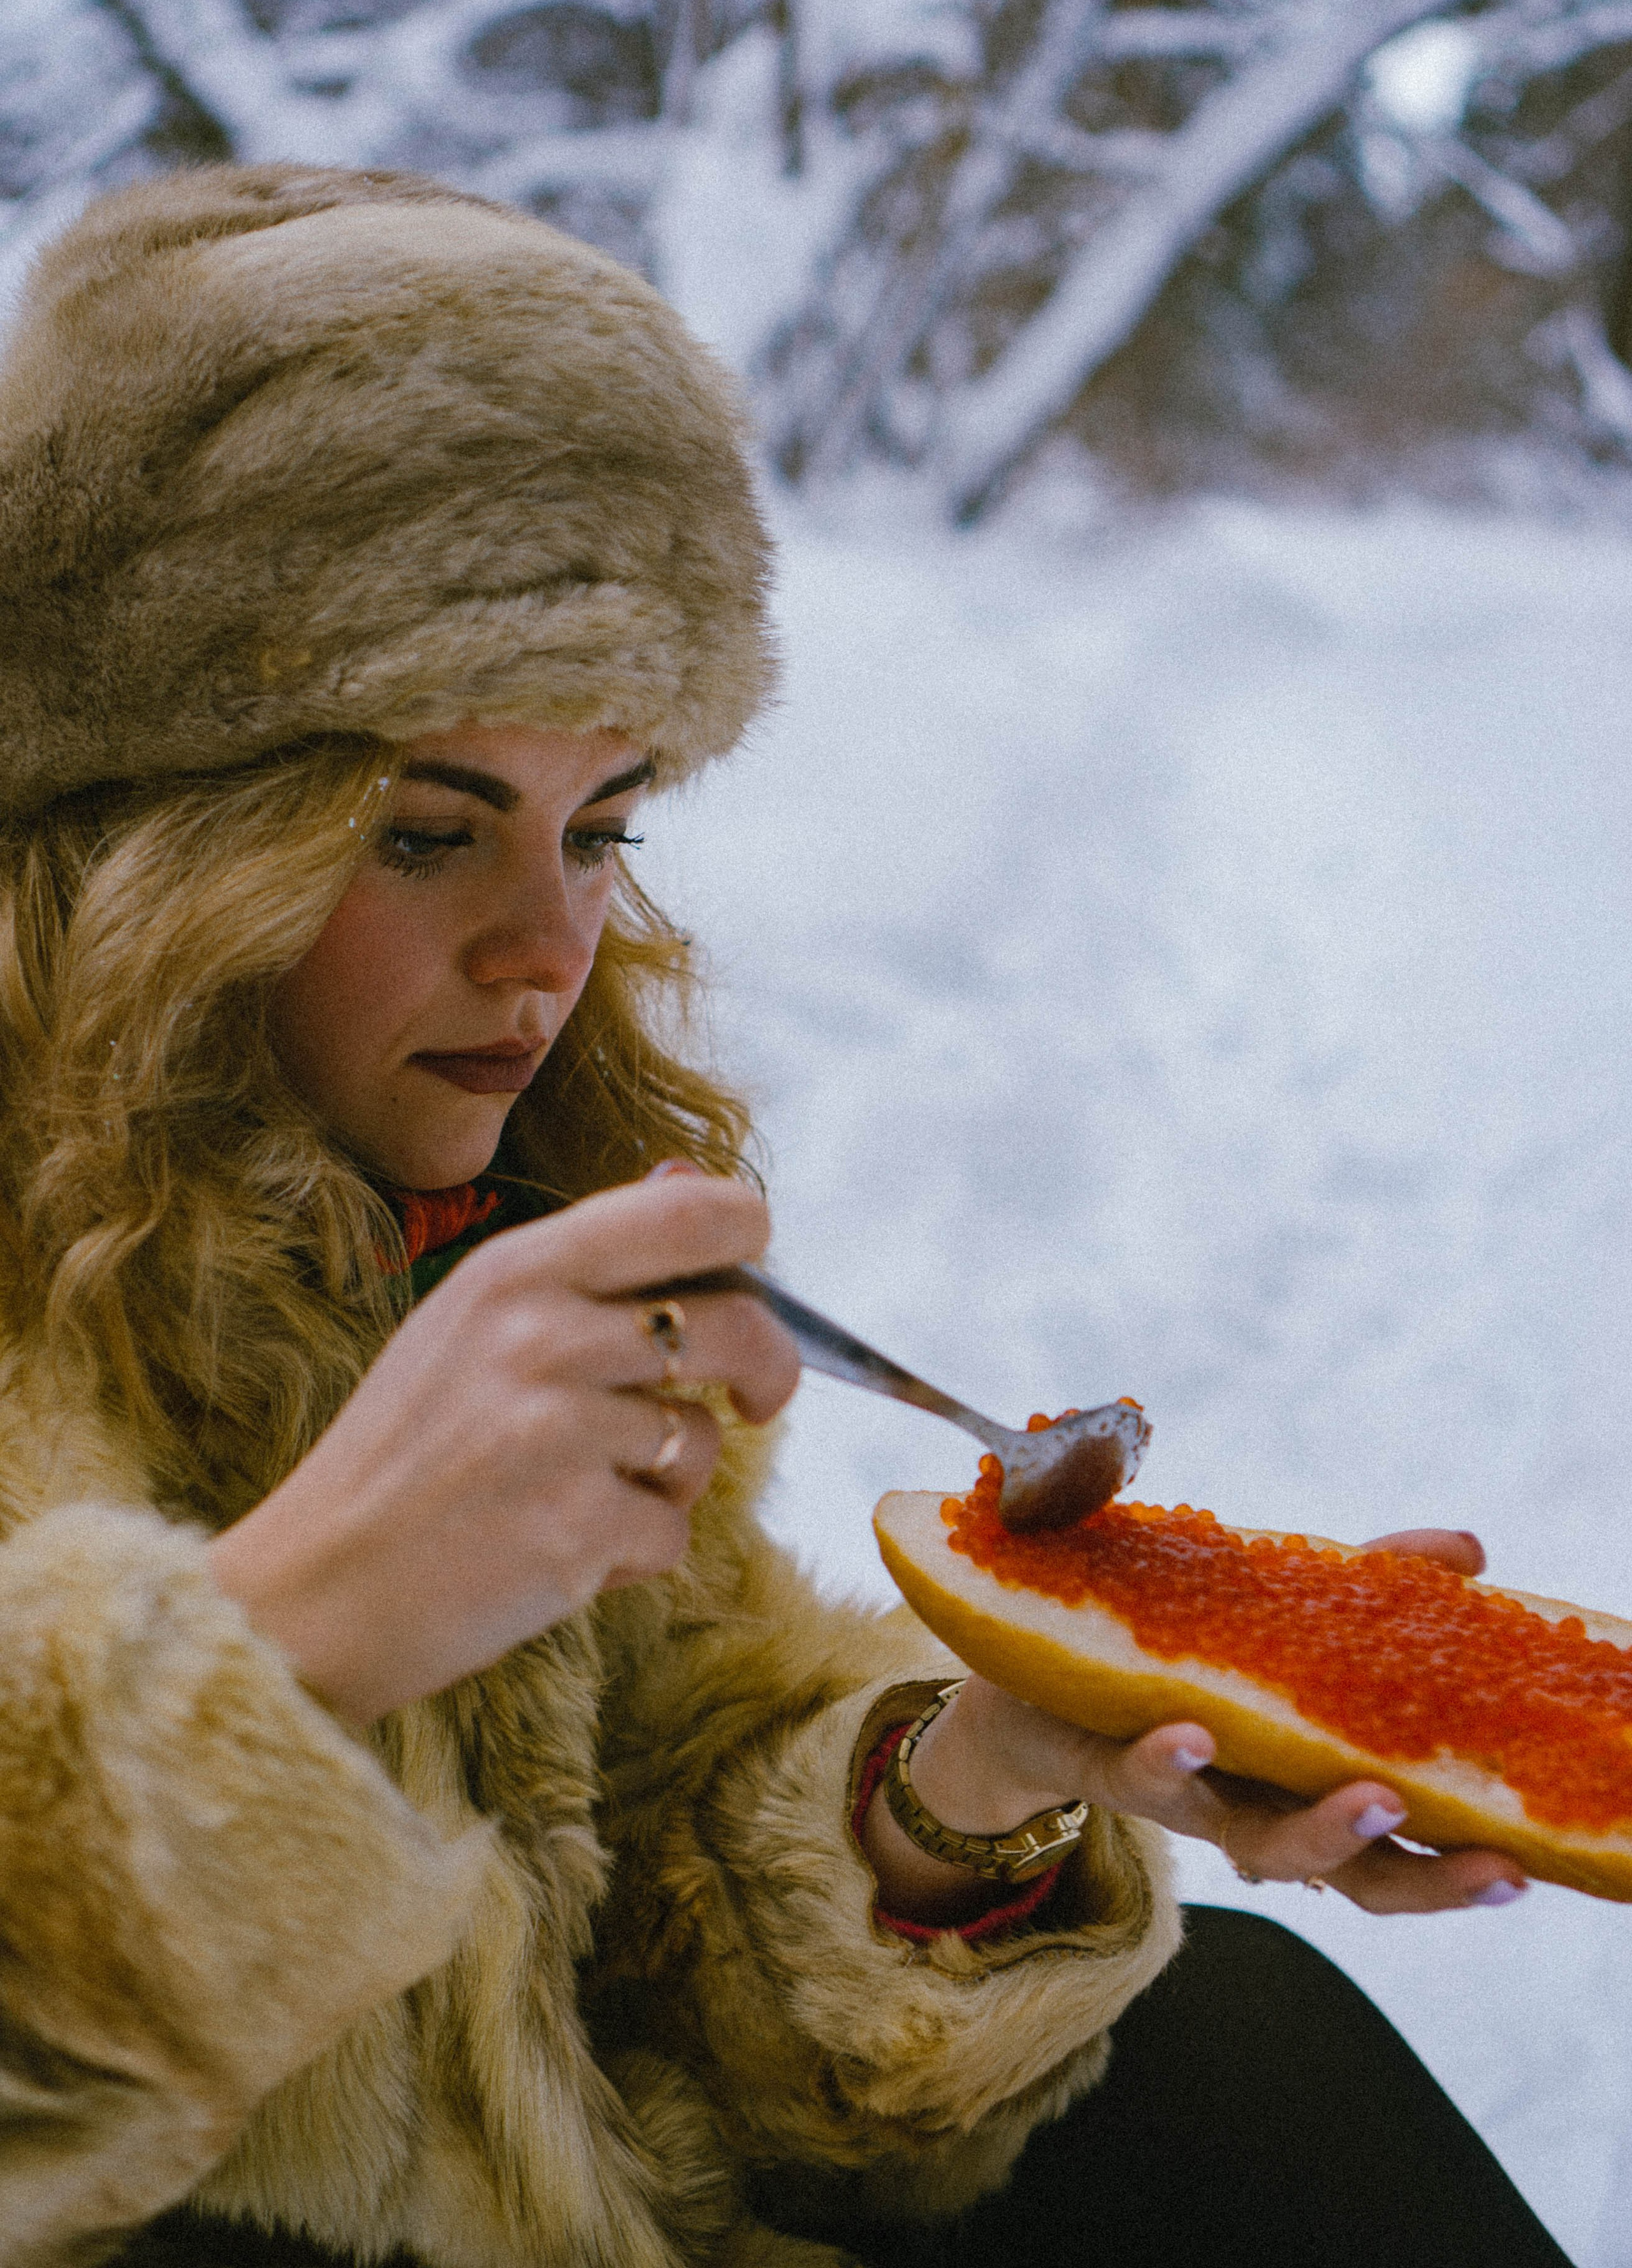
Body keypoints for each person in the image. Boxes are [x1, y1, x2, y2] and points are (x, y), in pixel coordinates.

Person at [0, 164, 1569, 2268]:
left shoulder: (482, 1224)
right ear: (156, 851)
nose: (545, 950)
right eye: (422, 833)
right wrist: (302, 1635)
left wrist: (970, 1787)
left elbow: (648, 1941)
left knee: (1241, 2031)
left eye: (601, 825)